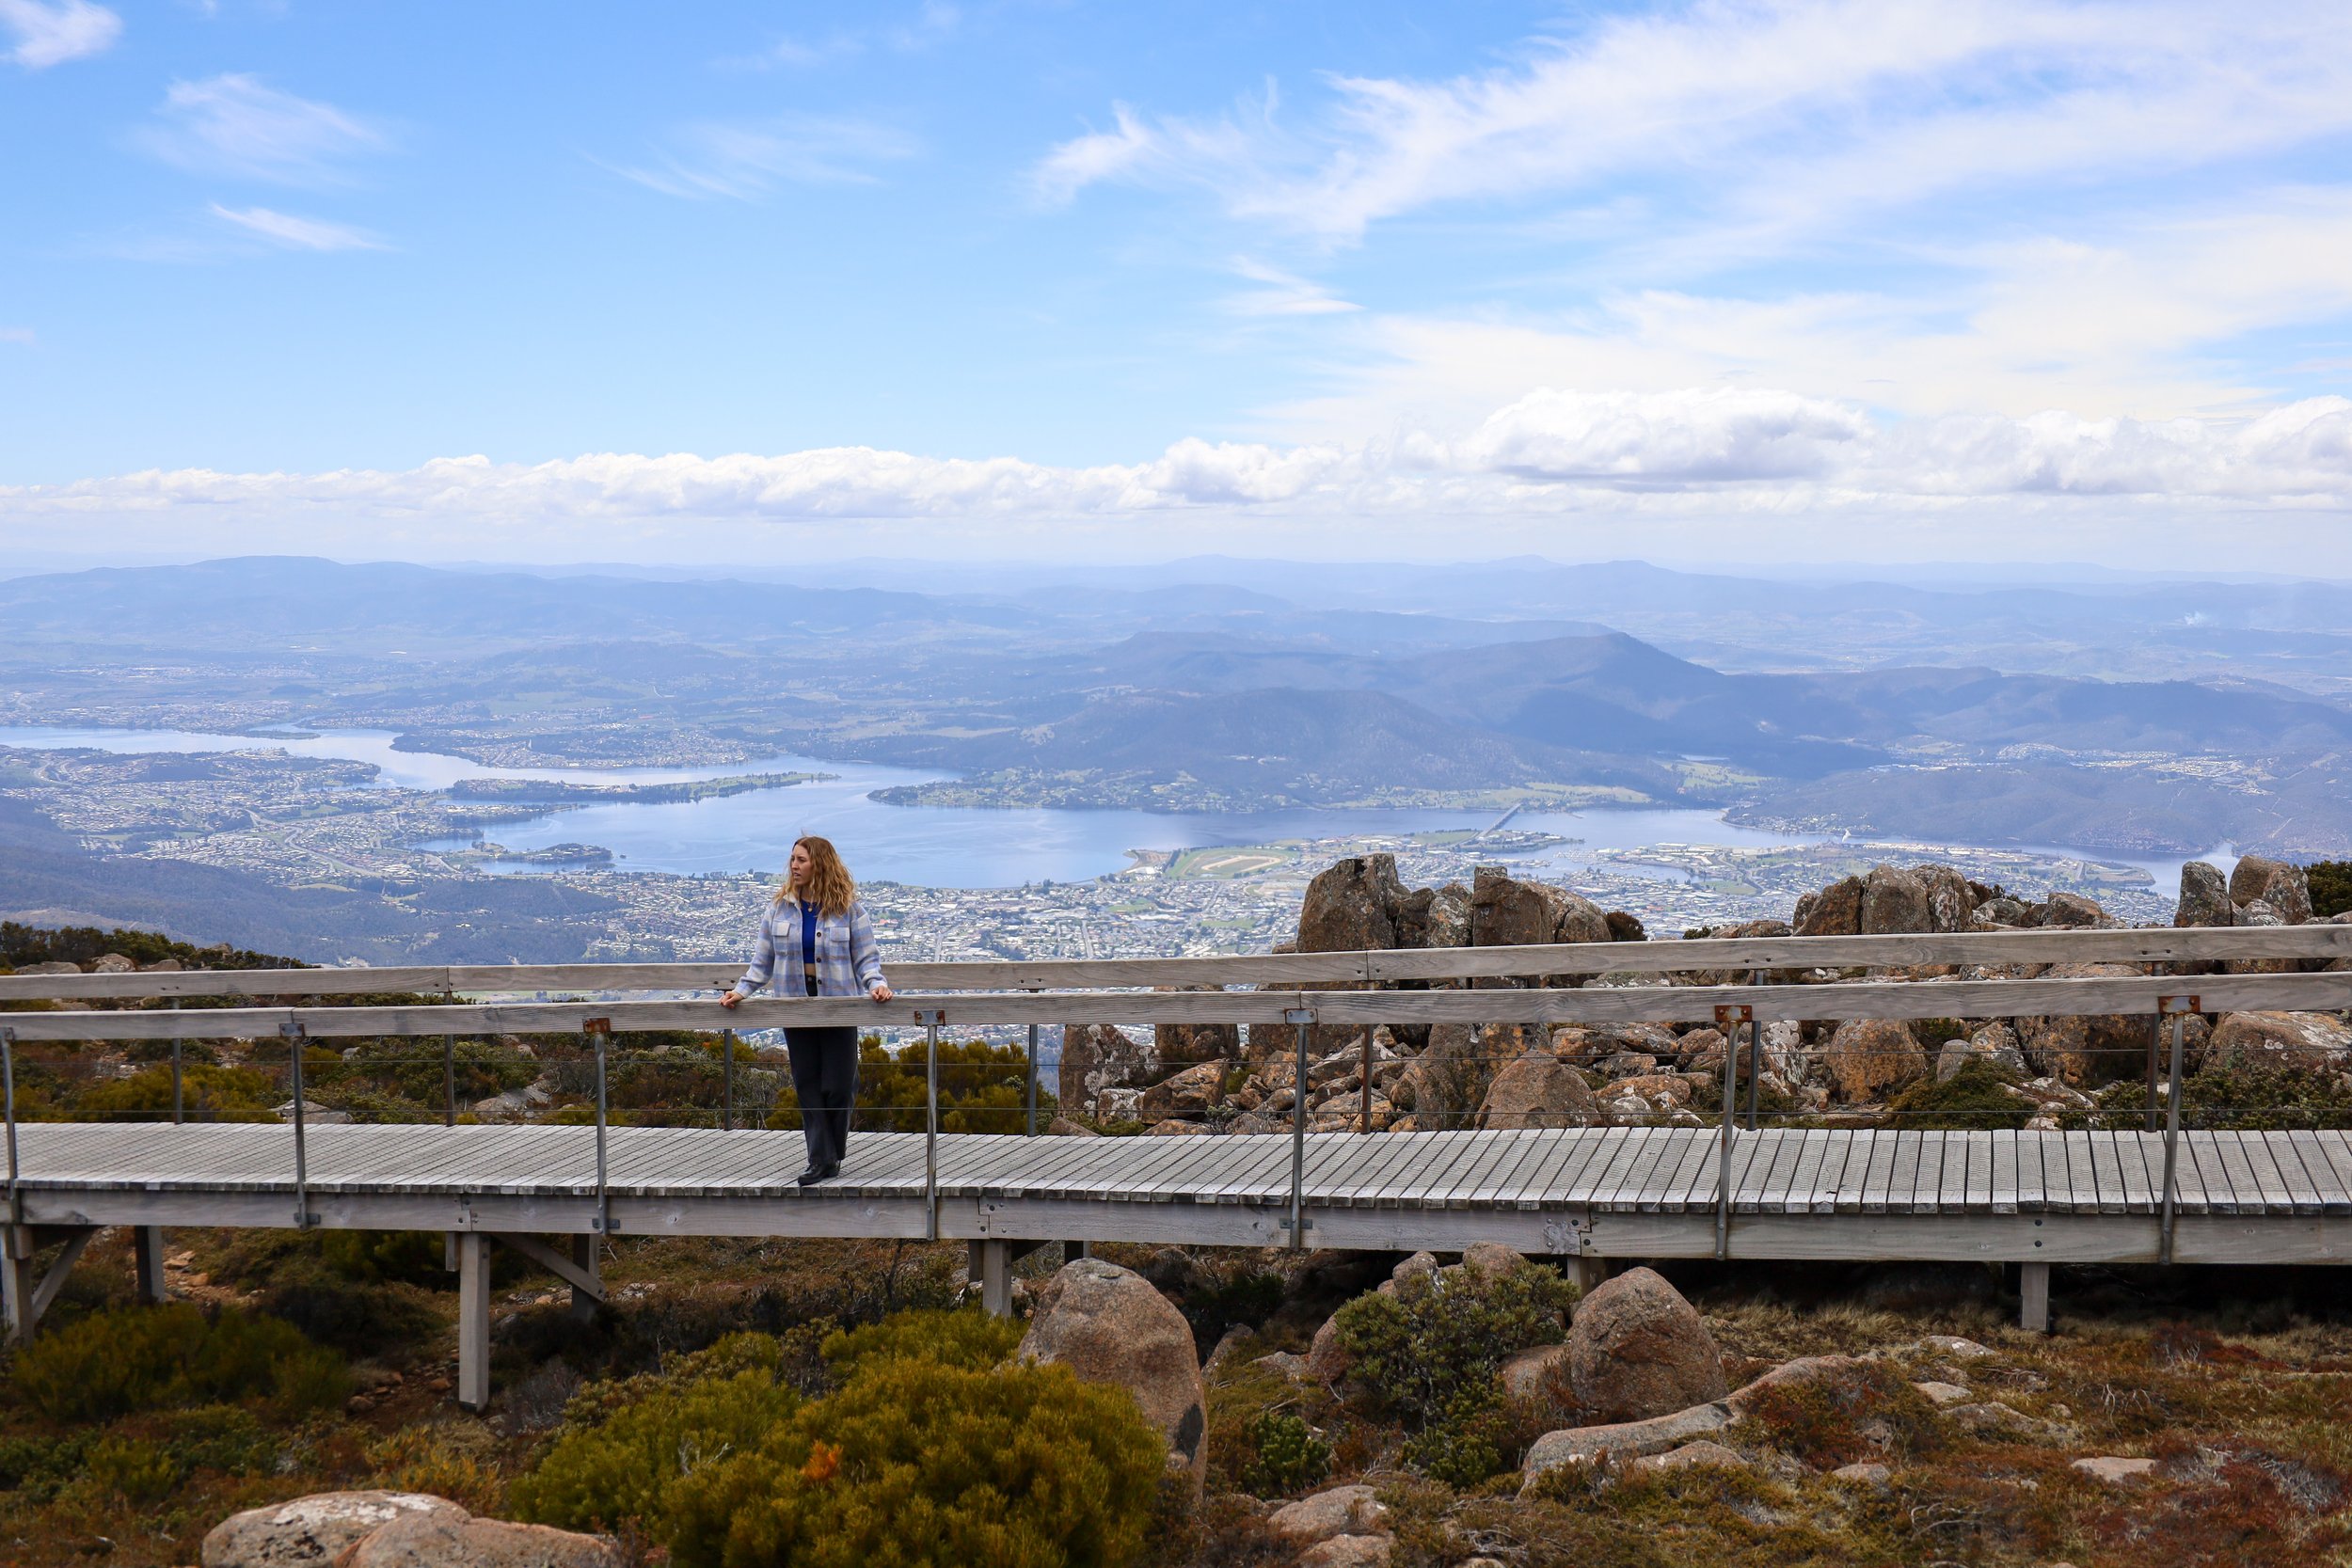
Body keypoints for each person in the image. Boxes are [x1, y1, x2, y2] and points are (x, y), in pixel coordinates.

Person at [721, 835, 893, 1184]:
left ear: (820, 864)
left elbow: (866, 960)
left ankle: (832, 1153)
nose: (794, 866)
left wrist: (876, 985)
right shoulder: (778, 908)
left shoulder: (849, 910)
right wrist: (741, 990)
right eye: (793, 859)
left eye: (801, 860)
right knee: (808, 1085)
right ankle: (821, 1160)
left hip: (837, 1008)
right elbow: (762, 961)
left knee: (840, 1085)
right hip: (795, 1007)